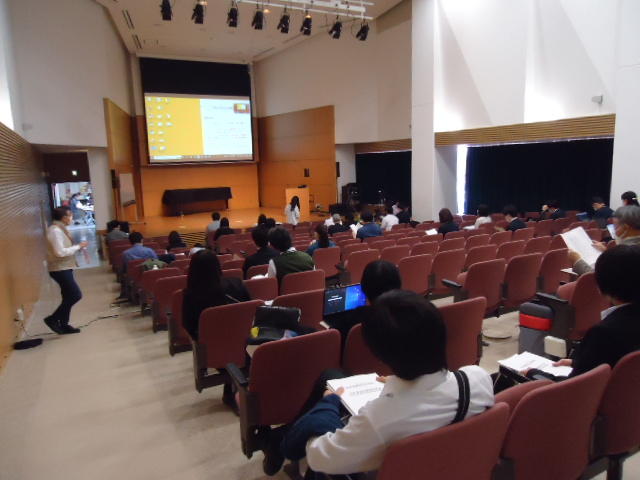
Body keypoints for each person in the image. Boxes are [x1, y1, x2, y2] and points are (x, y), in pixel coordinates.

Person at [281, 290, 495, 475]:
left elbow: (318, 457)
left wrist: (327, 405)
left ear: (381, 356)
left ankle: (278, 446)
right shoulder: (478, 379)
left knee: (316, 416)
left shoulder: (378, 420)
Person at [541, 246, 640, 379]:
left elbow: (578, 385)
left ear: (601, 285)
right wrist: (578, 363)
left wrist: (533, 373)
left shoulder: (604, 333)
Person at [182, 250, 250, 341]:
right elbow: (249, 309)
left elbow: (189, 327)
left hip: (208, 342)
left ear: (193, 270)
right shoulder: (237, 283)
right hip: (241, 336)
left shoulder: (190, 295)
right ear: (217, 265)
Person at [44, 207, 88, 334]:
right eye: (70, 215)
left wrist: (77, 247)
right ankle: (52, 319)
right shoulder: (55, 231)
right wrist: (78, 246)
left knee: (67, 296)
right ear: (64, 217)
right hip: (59, 269)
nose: (71, 218)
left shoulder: (61, 228)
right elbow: (60, 252)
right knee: (75, 295)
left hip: (65, 267)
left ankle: (64, 324)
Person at [571, 205, 640, 275]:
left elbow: (600, 277)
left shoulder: (626, 253)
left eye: (615, 227)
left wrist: (577, 261)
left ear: (625, 227)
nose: (614, 231)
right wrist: (606, 251)